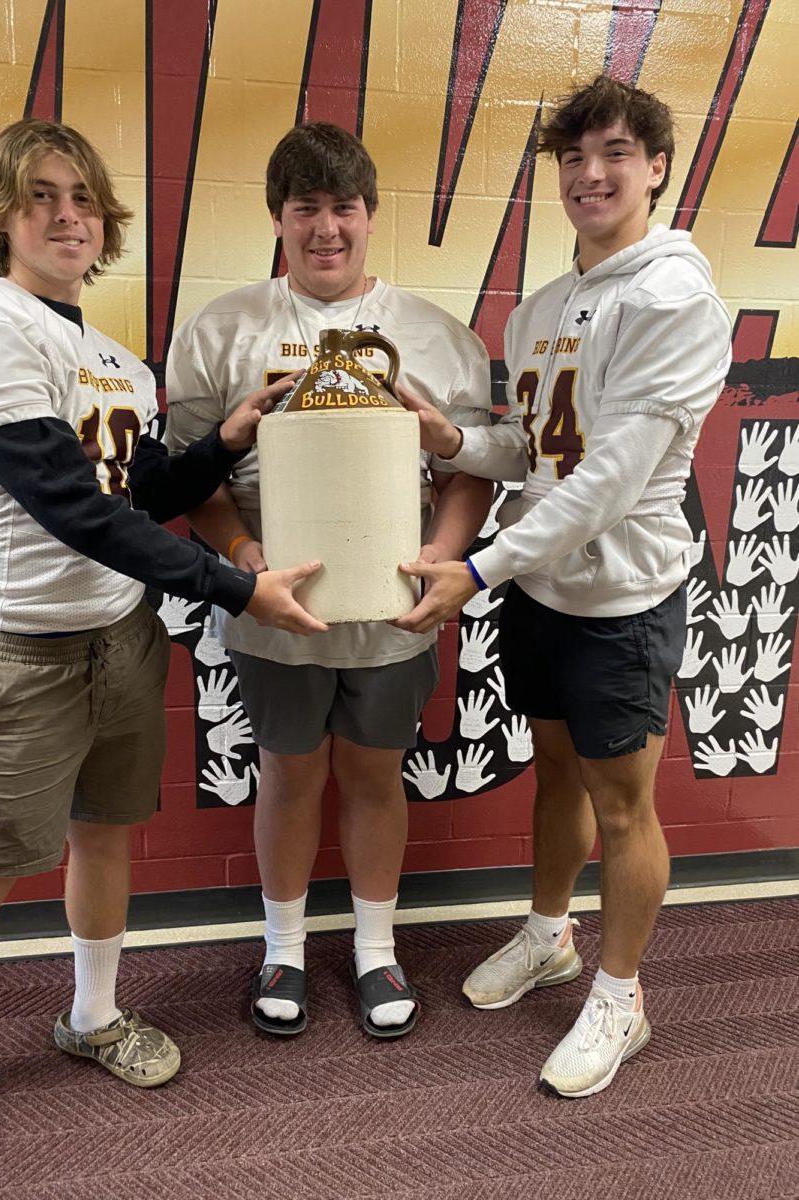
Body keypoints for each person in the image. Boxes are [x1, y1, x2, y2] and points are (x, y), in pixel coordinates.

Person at [0, 117, 325, 1180]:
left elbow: (133, 498)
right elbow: (70, 512)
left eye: (84, 198)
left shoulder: (111, 362)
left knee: (104, 838)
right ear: (0, 213)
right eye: (42, 195)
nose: (67, 216)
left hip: (119, 642)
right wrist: (237, 586)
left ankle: (90, 1018)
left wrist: (220, 444)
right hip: (19, 652)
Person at [394, 76, 732, 1097]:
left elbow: (612, 479)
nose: (592, 174)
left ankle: (622, 998)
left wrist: (478, 568)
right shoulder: (543, 306)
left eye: (617, 153)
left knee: (623, 805)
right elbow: (539, 452)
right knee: (553, 772)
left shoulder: (674, 296)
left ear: (658, 167)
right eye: (575, 156)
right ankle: (550, 934)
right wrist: (454, 439)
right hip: (543, 587)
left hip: (623, 596)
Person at [165, 122, 493, 1039]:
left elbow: (467, 471)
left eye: (342, 207)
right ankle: (283, 945)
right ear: (278, 217)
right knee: (288, 771)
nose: (325, 229)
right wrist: (243, 562)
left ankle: (377, 949)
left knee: (377, 772)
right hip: (277, 596)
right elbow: (200, 478)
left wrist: (444, 564)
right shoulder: (224, 328)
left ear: (370, 214)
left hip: (395, 595)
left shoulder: (436, 334)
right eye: (304, 209)